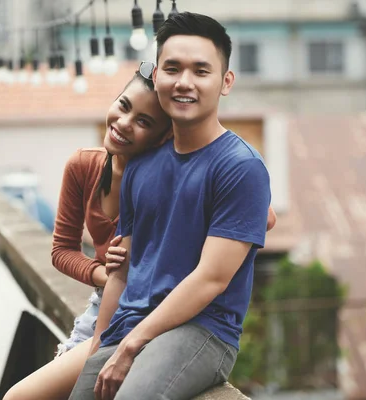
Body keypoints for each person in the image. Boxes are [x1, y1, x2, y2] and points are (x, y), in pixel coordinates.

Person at [4, 63, 276, 399]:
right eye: (123, 105)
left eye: (144, 122)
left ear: (165, 135)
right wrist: (106, 273)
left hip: (157, 308)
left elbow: (265, 216)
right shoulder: (84, 165)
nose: (124, 124)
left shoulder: (171, 174)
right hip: (108, 305)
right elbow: (61, 251)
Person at [69, 12, 272, 400]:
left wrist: (132, 345)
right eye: (173, 68)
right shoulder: (142, 165)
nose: (184, 82)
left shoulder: (241, 167)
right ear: (156, 75)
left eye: (201, 71)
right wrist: (98, 344)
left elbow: (212, 278)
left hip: (203, 330)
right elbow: (123, 272)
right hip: (130, 322)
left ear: (225, 81)